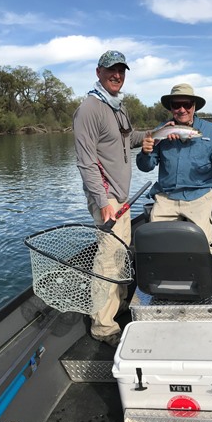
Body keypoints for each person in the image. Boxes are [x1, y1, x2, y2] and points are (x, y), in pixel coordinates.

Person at [73, 50, 143, 348]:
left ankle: (120, 306)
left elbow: (129, 140)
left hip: (122, 198)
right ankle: (103, 326)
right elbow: (86, 162)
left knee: (120, 256)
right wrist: (103, 202)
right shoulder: (89, 109)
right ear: (99, 72)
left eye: (121, 70)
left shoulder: (118, 107)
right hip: (108, 200)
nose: (117, 75)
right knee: (108, 262)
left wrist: (158, 134)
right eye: (111, 70)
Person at [136, 83, 212, 254]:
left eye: (187, 105)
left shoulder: (211, 131)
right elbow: (145, 167)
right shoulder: (161, 131)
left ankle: (201, 276)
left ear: (194, 106)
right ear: (171, 108)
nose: (182, 109)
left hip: (199, 196)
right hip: (166, 195)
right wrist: (146, 152)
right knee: (154, 242)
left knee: (201, 242)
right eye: (176, 105)